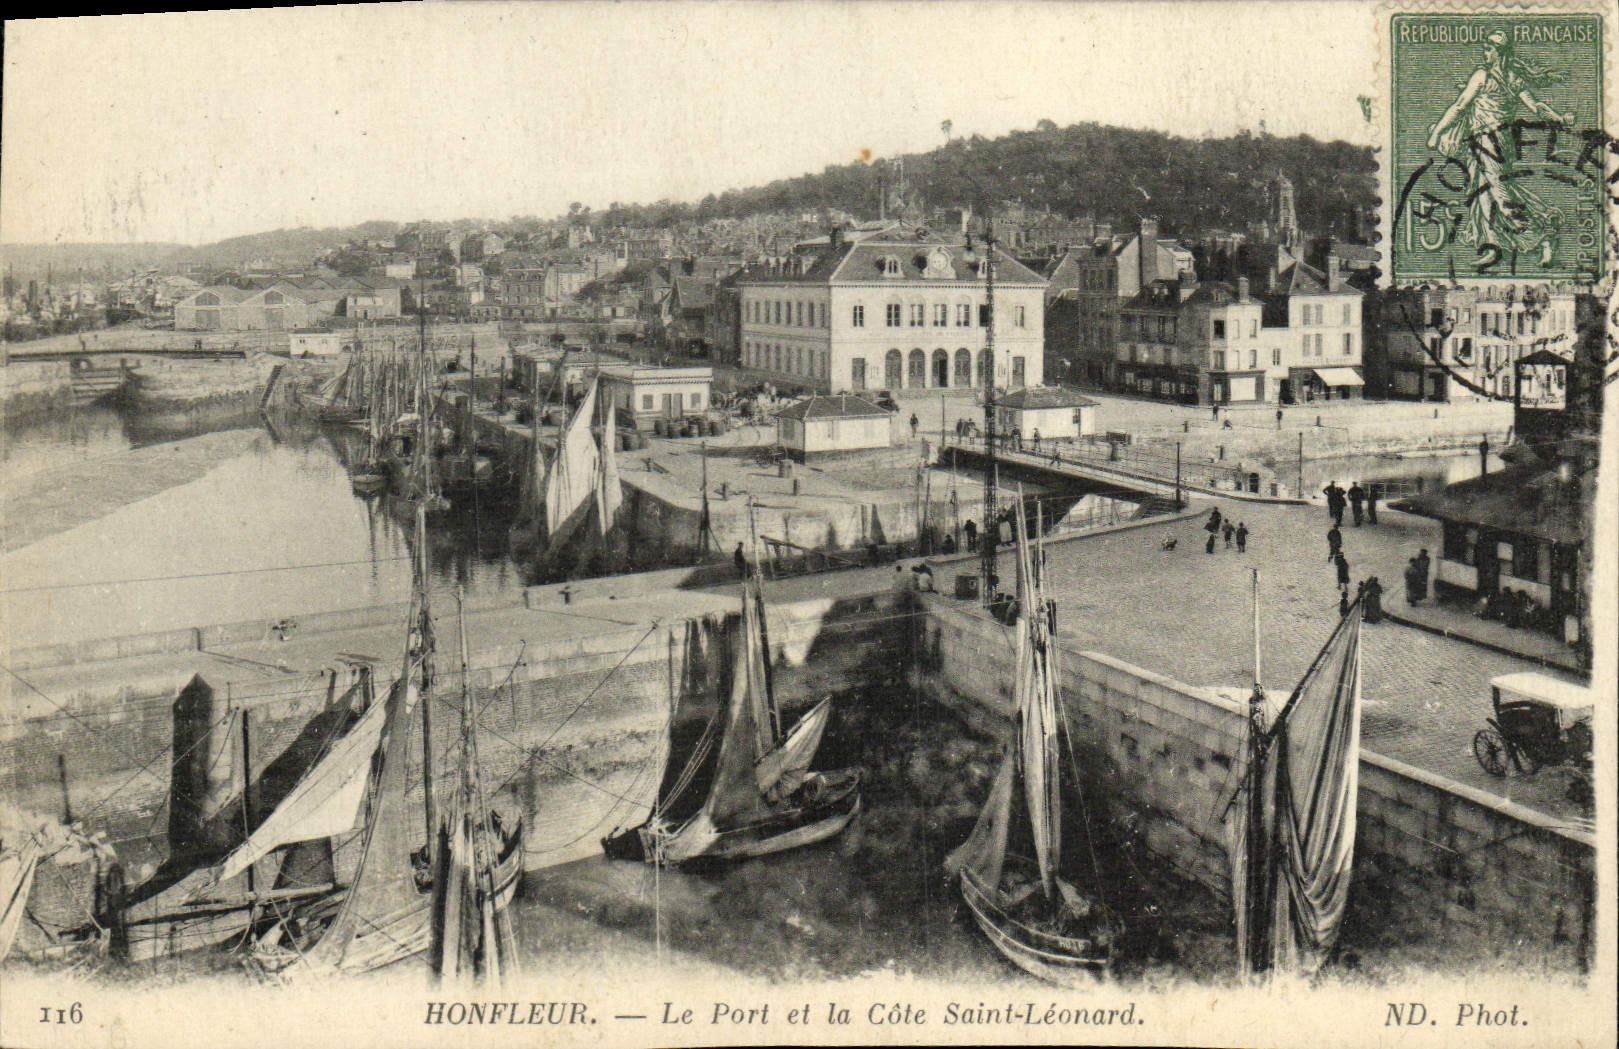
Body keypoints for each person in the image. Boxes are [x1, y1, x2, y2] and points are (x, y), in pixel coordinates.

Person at [1425, 30, 1573, 268]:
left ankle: (1543, 236)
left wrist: (1436, 133)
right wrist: (1558, 117)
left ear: (1499, 53)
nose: (1485, 53)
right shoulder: (1507, 78)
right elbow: (1536, 107)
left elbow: (1460, 105)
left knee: (1501, 195)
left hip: (1493, 143)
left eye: (1489, 49)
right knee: (1482, 195)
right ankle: (1492, 245)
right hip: (1484, 142)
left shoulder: (1487, 77)